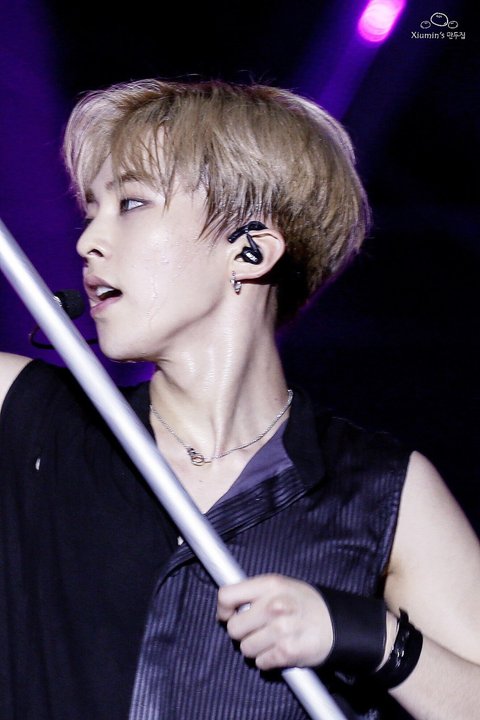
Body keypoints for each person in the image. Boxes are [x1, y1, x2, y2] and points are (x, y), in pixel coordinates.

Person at [0, 79, 479, 720]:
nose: (87, 240)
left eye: (132, 203)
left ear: (250, 250)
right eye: (93, 210)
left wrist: (371, 636)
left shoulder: (380, 488)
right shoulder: (27, 415)